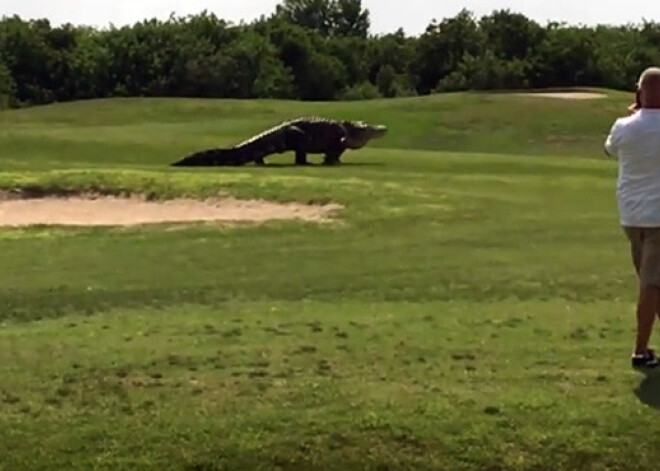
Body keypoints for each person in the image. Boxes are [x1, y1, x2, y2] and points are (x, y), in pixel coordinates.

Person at [605, 66, 660, 368]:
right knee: (651, 283)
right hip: (658, 217)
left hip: (631, 215)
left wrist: (634, 114)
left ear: (639, 93)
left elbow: (609, 150)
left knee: (652, 280)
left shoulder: (622, 126)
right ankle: (641, 350)